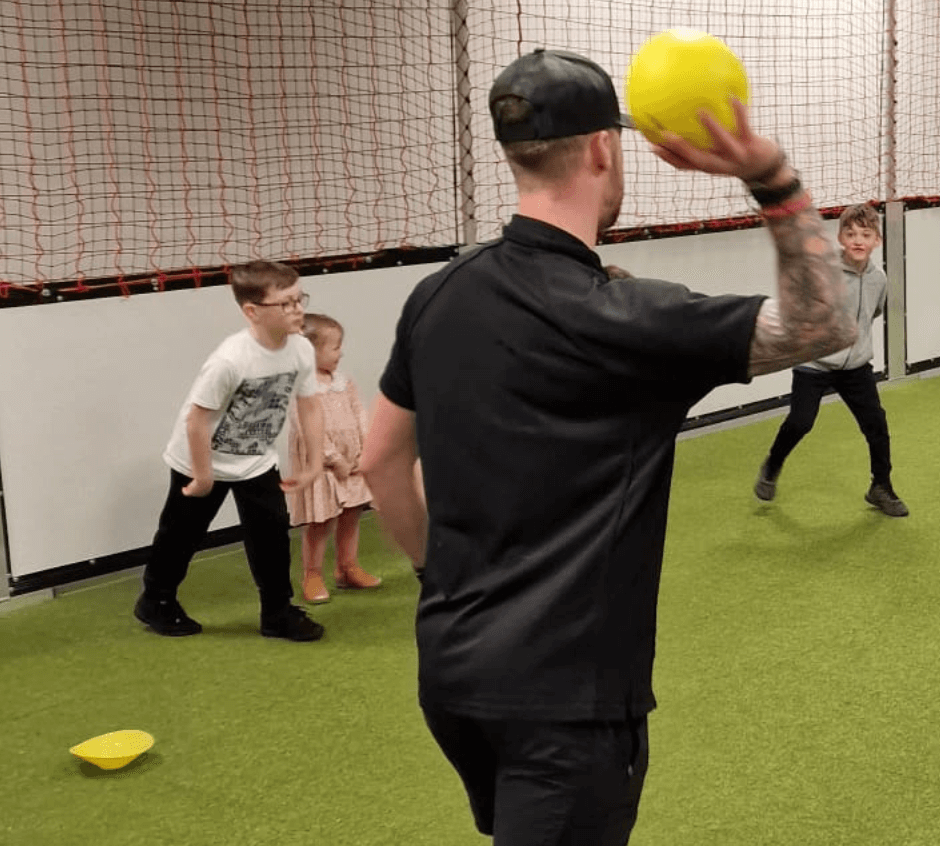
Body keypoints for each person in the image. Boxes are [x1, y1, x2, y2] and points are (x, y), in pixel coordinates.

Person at [357, 49, 857, 845]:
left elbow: (380, 458)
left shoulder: (438, 294)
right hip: (565, 708)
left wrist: (432, 574)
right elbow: (825, 325)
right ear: (602, 149)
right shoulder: (627, 319)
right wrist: (771, 175)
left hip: (451, 676)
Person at [132, 260, 327, 642]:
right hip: (199, 458)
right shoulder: (231, 359)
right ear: (252, 311)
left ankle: (276, 612)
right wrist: (203, 475)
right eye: (285, 304)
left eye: (298, 299)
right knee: (180, 535)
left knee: (270, 536)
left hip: (255, 460)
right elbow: (196, 420)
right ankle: (155, 599)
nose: (297, 309)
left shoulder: (301, 349)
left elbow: (309, 405)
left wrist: (315, 461)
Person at [754, 203, 908, 517]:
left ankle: (881, 486)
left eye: (866, 234)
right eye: (850, 233)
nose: (858, 240)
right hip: (815, 363)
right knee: (800, 422)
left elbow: (873, 313)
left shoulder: (879, 279)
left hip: (855, 367)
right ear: (839, 237)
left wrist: (855, 346)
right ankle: (772, 464)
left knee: (876, 425)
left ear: (876, 240)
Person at [285, 312, 379, 603]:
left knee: (352, 514)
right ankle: (312, 574)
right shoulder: (301, 386)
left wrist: (366, 449)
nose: (341, 352)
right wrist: (334, 458)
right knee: (320, 521)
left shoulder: (344, 381)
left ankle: (347, 567)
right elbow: (306, 428)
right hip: (324, 466)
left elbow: (360, 414)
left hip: (353, 463)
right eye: (335, 347)